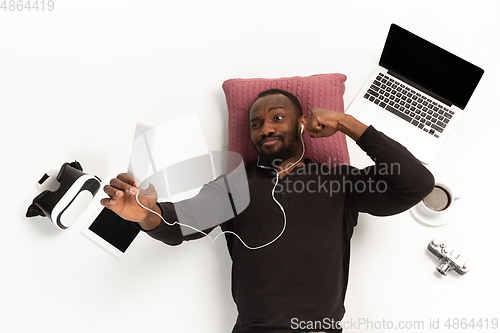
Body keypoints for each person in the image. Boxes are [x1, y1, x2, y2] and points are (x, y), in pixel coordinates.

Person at [101, 88, 434, 332]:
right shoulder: (234, 185)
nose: (266, 129)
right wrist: (146, 214)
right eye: (256, 123)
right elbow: (179, 225)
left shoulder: (340, 182)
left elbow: (416, 183)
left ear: (303, 124)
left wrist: (347, 123)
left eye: (277, 117)